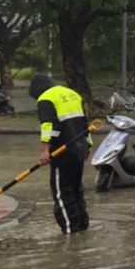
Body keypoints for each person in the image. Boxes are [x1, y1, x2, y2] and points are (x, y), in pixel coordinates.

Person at [29, 73, 90, 234]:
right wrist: (88, 146)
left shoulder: (45, 98)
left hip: (61, 154)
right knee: (77, 191)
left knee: (62, 194)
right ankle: (83, 227)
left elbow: (49, 126)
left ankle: (71, 233)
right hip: (79, 150)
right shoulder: (72, 94)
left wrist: (45, 151)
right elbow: (85, 123)